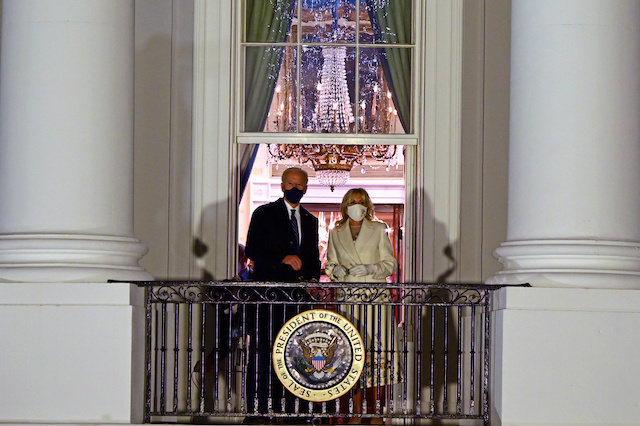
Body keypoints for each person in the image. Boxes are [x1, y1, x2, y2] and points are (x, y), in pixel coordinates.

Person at [244, 167, 321, 419]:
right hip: (269, 298)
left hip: (299, 302)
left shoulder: (311, 221)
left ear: (306, 188)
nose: (295, 189)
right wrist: (282, 258)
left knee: (296, 354)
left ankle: (293, 408)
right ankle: (259, 409)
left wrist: (312, 279)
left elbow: (313, 261)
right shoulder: (264, 213)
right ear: (282, 186)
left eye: (300, 185)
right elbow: (253, 250)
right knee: (264, 352)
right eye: (290, 183)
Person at [324, 188, 399, 421]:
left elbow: (390, 264)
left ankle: (375, 412)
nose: (357, 205)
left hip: (375, 297)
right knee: (353, 353)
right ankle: (355, 412)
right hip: (349, 298)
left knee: (377, 352)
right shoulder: (336, 232)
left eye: (361, 201)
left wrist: (370, 269)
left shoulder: (378, 229)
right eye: (353, 201)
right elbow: (330, 262)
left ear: (367, 205)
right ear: (345, 205)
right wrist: (334, 270)